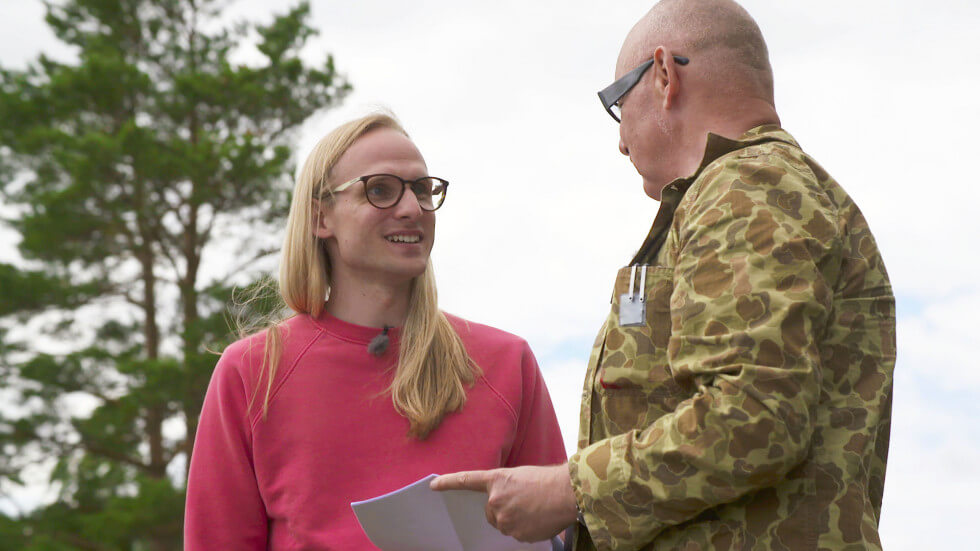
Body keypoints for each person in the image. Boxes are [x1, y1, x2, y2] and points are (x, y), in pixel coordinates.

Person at [431, 1, 896, 549]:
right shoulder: (745, 190)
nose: (621, 141)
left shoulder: (745, 187)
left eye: (616, 105)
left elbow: (755, 415)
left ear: (663, 76)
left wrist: (570, 491)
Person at [184, 112, 567, 549]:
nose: (411, 209)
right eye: (380, 190)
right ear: (319, 218)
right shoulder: (253, 372)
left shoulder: (506, 363)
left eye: (422, 190)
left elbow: (560, 525)